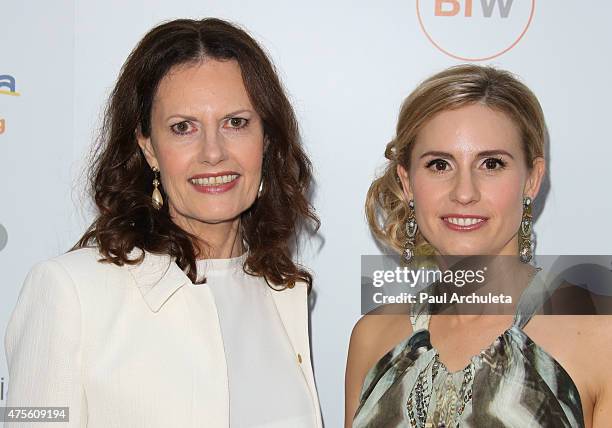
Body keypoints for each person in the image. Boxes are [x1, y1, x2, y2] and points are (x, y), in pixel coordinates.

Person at [4, 18, 322, 428]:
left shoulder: (284, 291)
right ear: (149, 148)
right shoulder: (70, 292)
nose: (213, 152)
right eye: (183, 128)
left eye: (236, 123)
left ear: (267, 140)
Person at [345, 65, 612, 427]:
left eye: (491, 163)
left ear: (531, 179)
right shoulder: (372, 337)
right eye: (439, 164)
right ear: (407, 183)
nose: (464, 192)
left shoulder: (599, 337)